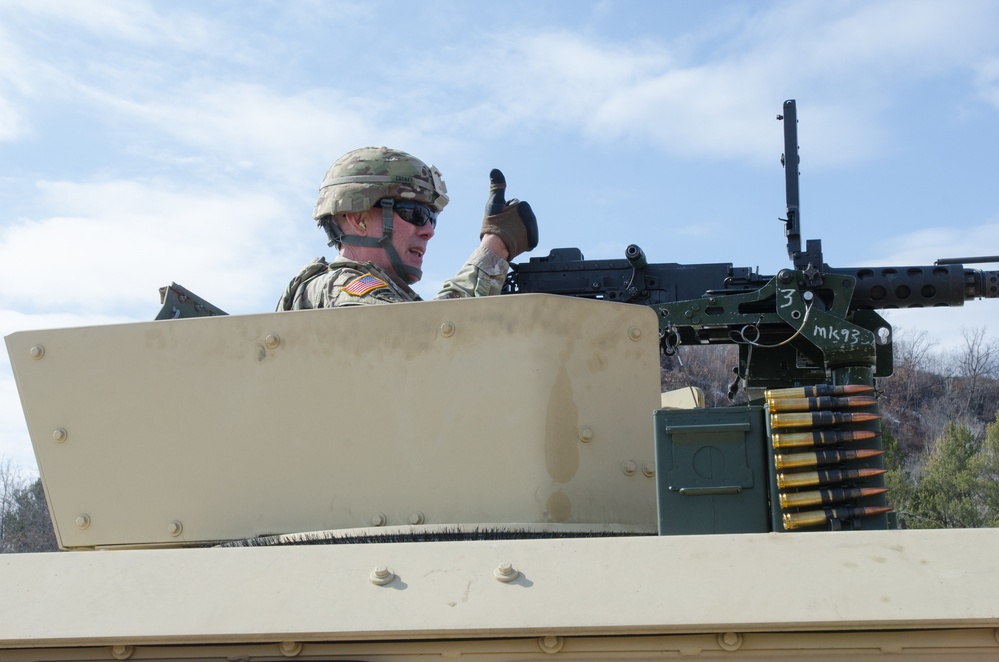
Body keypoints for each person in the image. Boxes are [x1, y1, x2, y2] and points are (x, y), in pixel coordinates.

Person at [277, 147, 538, 309]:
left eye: (431, 219)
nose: (428, 231)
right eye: (414, 213)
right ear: (358, 218)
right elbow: (431, 345)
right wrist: (495, 247)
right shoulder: (344, 289)